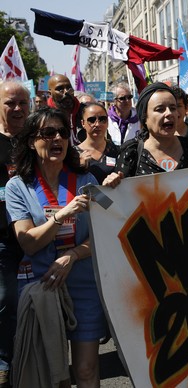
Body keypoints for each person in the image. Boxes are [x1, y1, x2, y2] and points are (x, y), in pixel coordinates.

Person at [5, 108, 106, 387]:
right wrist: (61, 214)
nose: (57, 138)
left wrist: (72, 256)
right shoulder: (17, 187)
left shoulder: (87, 181)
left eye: (62, 132)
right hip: (43, 284)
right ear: (30, 141)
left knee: (86, 370)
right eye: (48, 133)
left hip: (84, 284)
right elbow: (28, 241)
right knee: (54, 374)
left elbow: (105, 233)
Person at [108, 82, 188, 180]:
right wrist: (111, 185)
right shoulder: (131, 152)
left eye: (173, 108)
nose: (169, 113)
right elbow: (119, 194)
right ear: (144, 117)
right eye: (160, 109)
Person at [0, 81, 29, 387]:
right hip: (4, 241)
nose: (18, 109)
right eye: (10, 103)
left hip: (40, 236)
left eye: (23, 102)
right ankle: (4, 362)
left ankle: (37, 361)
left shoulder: (37, 139)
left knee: (42, 303)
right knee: (6, 301)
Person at [75, 103, 120, 184]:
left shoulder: (118, 151)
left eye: (102, 119)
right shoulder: (73, 154)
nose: (97, 124)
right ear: (83, 123)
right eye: (91, 120)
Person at [47, 74, 82, 144]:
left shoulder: (85, 112)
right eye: (60, 89)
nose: (66, 92)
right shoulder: (44, 117)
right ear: (50, 93)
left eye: (69, 88)